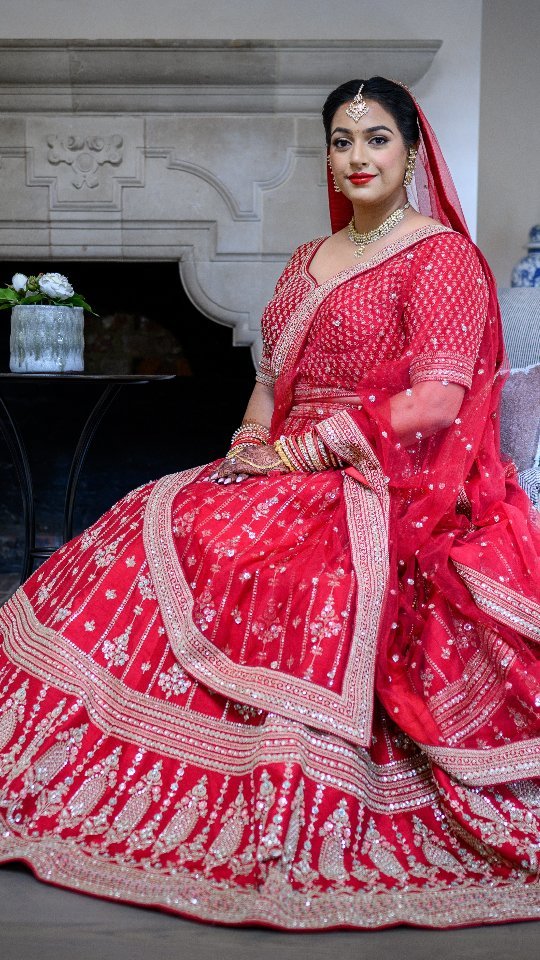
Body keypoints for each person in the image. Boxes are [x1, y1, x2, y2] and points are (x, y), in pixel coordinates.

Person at [0, 77, 539, 931]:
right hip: (282, 462)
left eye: (375, 139)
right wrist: (252, 448)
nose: (357, 157)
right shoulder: (307, 260)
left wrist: (307, 451)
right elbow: (266, 386)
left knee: (282, 563)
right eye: (340, 140)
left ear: (413, 151)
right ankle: (70, 752)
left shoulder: (440, 258)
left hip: (379, 476)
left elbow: (438, 400)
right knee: (154, 509)